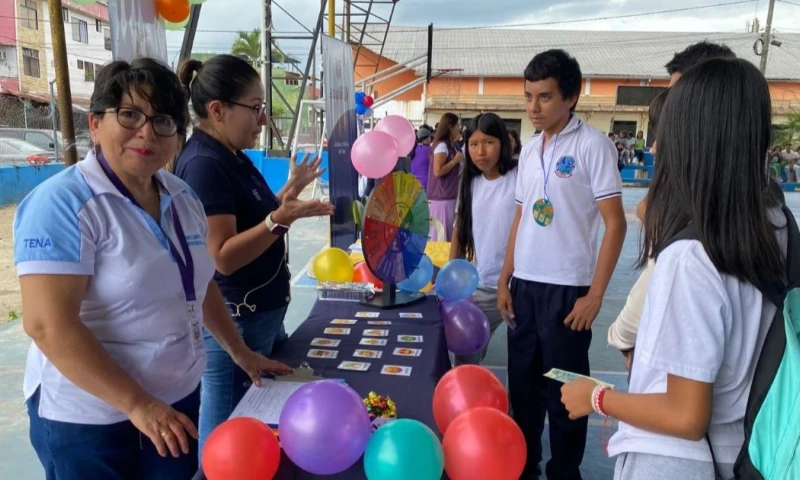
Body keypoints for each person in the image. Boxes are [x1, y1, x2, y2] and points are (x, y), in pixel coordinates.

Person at [14, 58, 292, 480]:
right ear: (95, 123)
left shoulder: (181, 197)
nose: (147, 133)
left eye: (163, 121)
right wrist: (137, 404)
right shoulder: (63, 203)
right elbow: (49, 326)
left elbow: (200, 284)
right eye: (130, 115)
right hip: (93, 420)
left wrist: (241, 353)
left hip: (175, 404)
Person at [562, 57, 789, 480]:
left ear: (691, 141)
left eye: (664, 135)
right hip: (747, 447)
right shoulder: (776, 224)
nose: (653, 149)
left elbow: (685, 415)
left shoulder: (691, 258)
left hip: (678, 462)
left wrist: (596, 397)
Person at [172, 54, 334, 453]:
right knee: (225, 433)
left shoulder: (231, 156)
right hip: (237, 324)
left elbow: (256, 217)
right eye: (256, 108)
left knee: (258, 420)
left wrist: (289, 193)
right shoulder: (204, 165)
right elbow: (222, 257)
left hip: (262, 315)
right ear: (218, 110)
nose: (262, 120)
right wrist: (281, 219)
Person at [496, 49, 627, 479]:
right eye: (528, 96)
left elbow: (615, 224)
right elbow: (520, 217)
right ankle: (524, 467)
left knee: (565, 394)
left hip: (567, 293)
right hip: (524, 289)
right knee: (523, 389)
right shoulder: (529, 150)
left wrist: (595, 295)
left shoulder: (594, 146)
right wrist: (505, 279)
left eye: (545, 97)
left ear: (570, 97)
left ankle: (564, 472)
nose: (533, 107)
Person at [449, 113, 517, 365]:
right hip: (482, 287)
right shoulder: (470, 182)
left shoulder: (519, 177)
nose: (480, 152)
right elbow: (459, 229)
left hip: (518, 287)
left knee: (524, 360)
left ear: (503, 143)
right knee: (465, 356)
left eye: (489, 142)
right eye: (473, 144)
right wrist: (451, 275)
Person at [607, 89, 668, 372]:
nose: (653, 149)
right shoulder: (771, 213)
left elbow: (627, 329)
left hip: (659, 373)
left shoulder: (687, 238)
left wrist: (620, 335)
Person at [427, 112, 463, 241]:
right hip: (441, 198)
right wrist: (454, 161)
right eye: (457, 126)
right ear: (450, 127)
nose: (459, 129)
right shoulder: (442, 146)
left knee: (445, 234)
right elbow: (437, 171)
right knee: (440, 235)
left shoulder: (451, 146)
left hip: (447, 196)